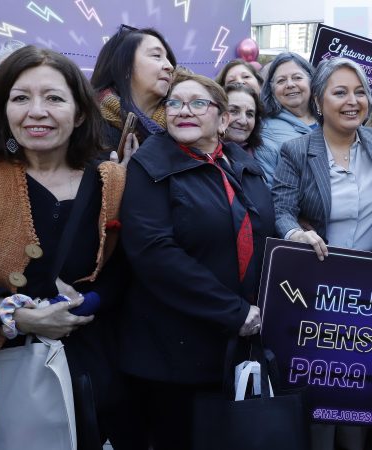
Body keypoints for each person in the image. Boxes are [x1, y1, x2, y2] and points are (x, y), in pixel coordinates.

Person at [0, 45, 127, 449]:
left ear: (78, 113)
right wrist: (13, 314)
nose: (36, 111)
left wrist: (85, 304)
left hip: (88, 368)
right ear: (3, 108)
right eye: (20, 98)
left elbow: (123, 269)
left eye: (54, 98)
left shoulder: (109, 180)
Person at [117, 71, 274, 449]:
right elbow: (155, 253)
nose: (183, 110)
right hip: (174, 357)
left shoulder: (244, 167)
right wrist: (233, 312)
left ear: (222, 120)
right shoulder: (149, 168)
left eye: (198, 103)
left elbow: (261, 233)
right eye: (175, 103)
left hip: (237, 350)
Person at [272, 57, 372, 450]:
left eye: (359, 92)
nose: (352, 101)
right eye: (340, 93)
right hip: (318, 291)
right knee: (320, 394)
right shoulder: (296, 150)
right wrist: (295, 233)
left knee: (359, 391)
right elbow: (281, 208)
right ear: (319, 101)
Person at [91, 25, 176, 153]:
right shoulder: (87, 128)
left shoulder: (180, 128)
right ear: (125, 67)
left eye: (168, 59)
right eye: (157, 55)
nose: (170, 66)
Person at [256, 52, 319, 186]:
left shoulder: (329, 117)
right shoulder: (266, 132)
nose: (290, 84)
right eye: (281, 80)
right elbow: (269, 187)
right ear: (272, 90)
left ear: (311, 81)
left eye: (297, 77)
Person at [223, 82, 263, 155]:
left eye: (249, 114)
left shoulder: (260, 155)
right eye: (233, 111)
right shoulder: (201, 156)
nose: (243, 121)